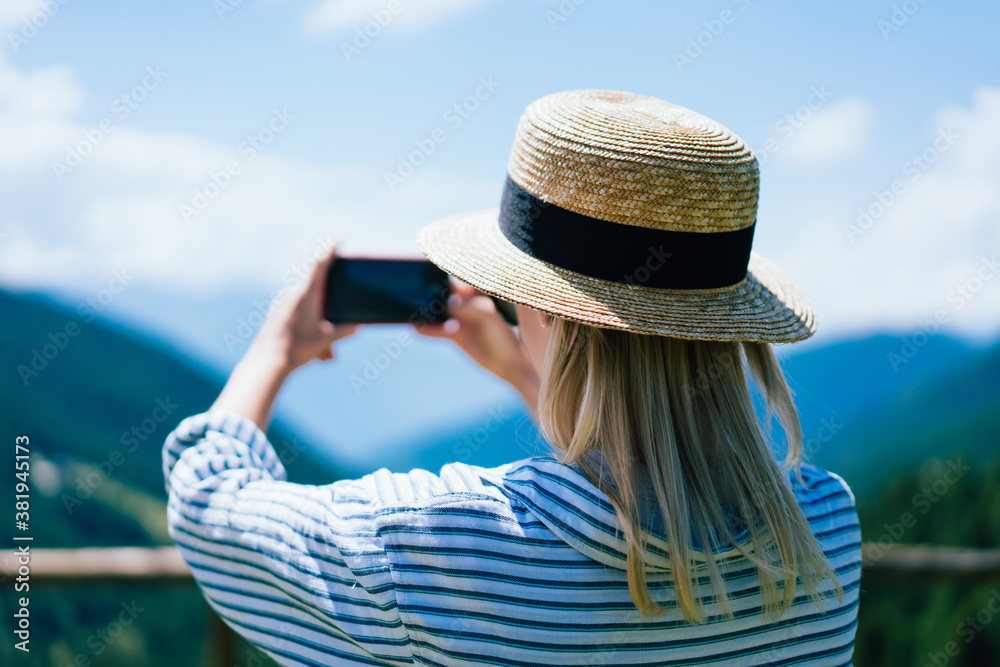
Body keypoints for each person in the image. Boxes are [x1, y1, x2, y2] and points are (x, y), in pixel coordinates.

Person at [162, 89, 862, 666]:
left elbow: (210, 508)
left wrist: (274, 351)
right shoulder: (825, 530)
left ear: (541, 310)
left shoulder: (431, 541)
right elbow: (646, 490)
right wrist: (525, 373)